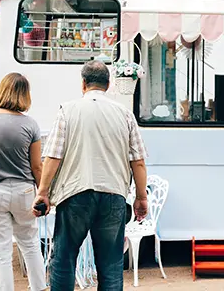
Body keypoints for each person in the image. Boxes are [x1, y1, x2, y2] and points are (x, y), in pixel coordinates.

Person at [34, 60, 149, 291]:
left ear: (83, 83)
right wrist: (141, 197)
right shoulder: (125, 114)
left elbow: (53, 157)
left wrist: (43, 193)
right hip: (113, 197)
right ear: (108, 85)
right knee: (111, 265)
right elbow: (138, 160)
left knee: (64, 260)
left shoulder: (67, 111)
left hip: (75, 195)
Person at [0, 73, 46, 291]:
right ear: (25, 95)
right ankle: (39, 288)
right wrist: (43, 193)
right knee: (30, 244)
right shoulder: (31, 125)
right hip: (23, 192)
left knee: (1, 249)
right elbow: (36, 166)